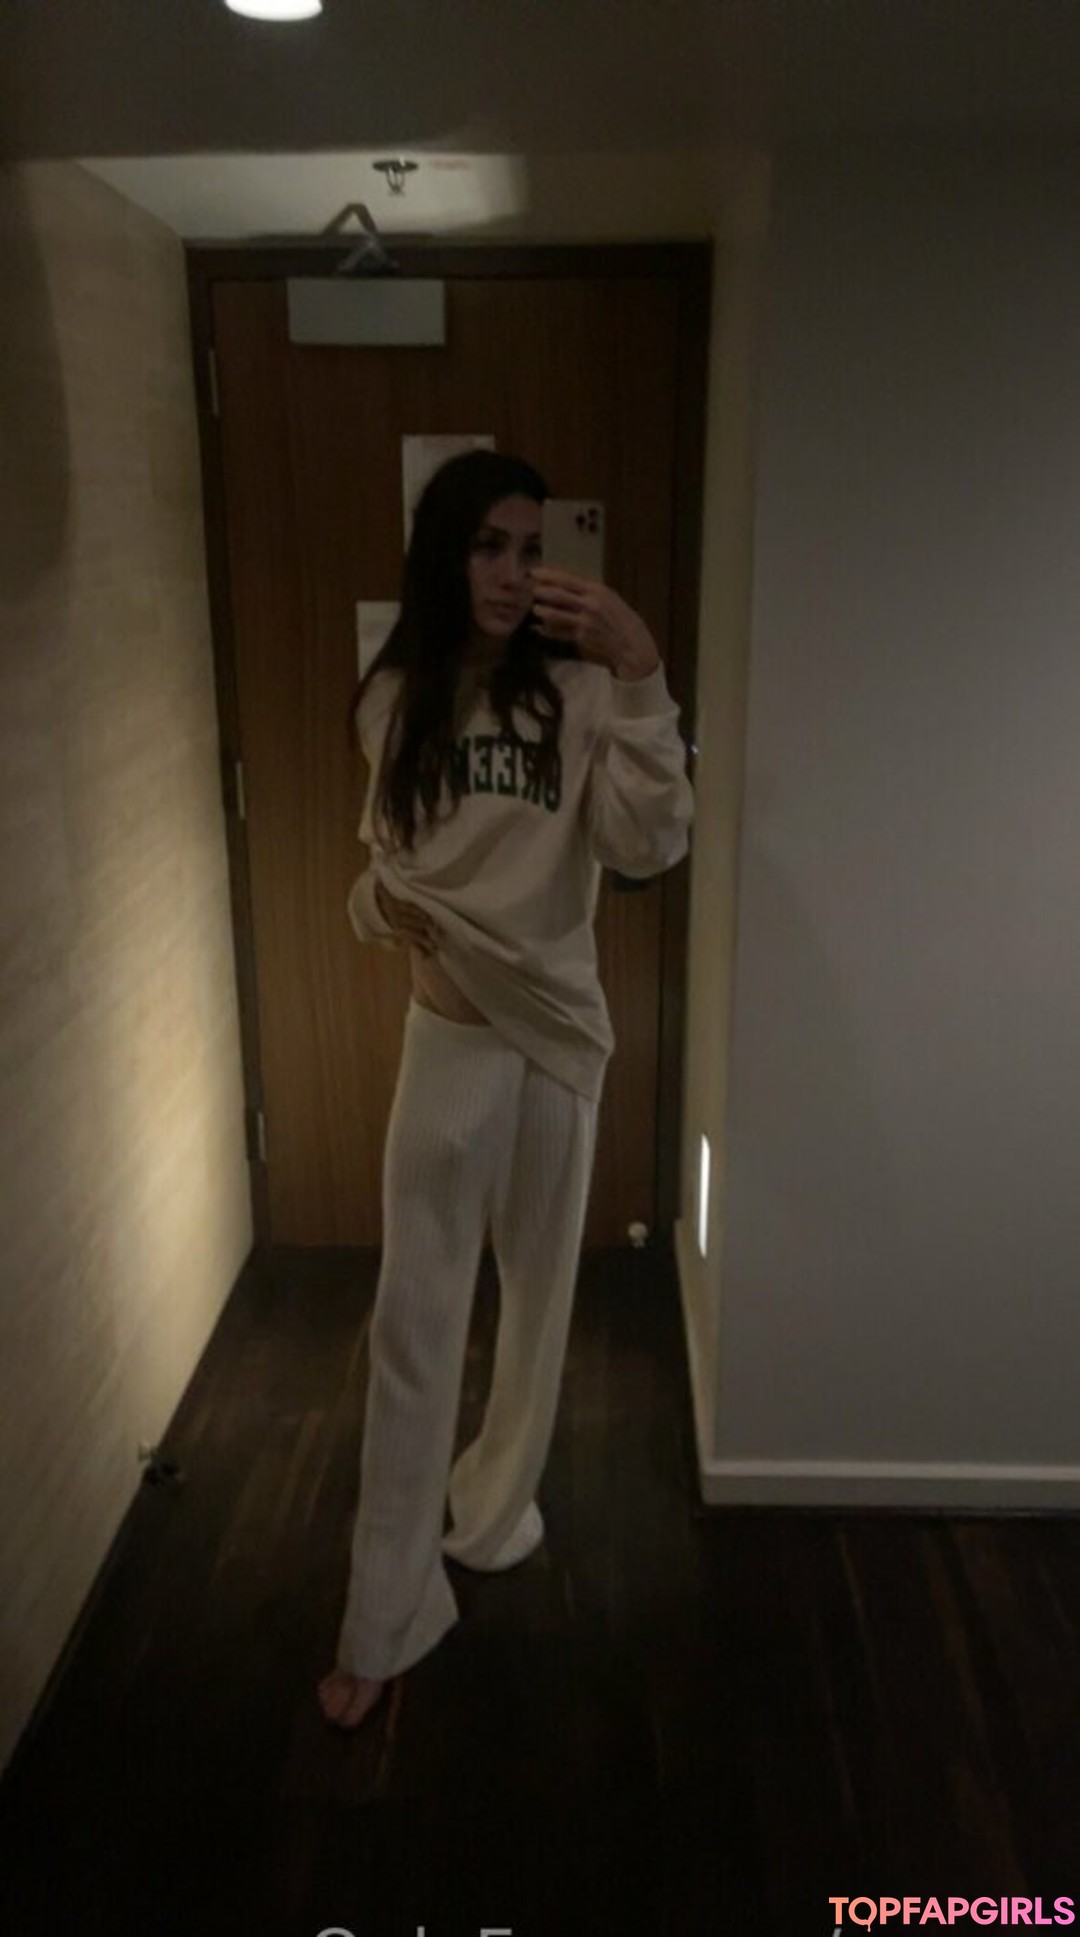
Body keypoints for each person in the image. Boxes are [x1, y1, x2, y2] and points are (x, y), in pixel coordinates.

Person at [317, 450, 694, 1731]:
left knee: (538, 1309)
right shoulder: (395, 697)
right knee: (413, 1325)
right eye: (488, 544)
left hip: (557, 1046)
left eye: (531, 548)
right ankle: (384, 1613)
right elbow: (383, 873)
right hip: (448, 1047)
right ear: (444, 552)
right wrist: (384, 909)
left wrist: (640, 668)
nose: (514, 572)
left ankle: (492, 1509)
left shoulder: (582, 695)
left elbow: (649, 842)